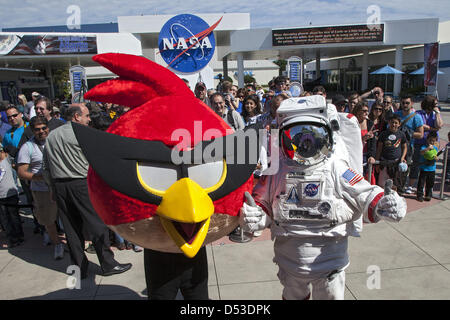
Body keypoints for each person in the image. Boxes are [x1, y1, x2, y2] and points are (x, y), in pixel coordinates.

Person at [239, 95, 406, 300]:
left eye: (312, 136)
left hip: (329, 259)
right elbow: (262, 202)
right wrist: (255, 216)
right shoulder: (277, 169)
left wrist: (384, 203)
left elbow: (364, 191)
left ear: (326, 137)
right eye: (297, 137)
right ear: (284, 138)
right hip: (290, 258)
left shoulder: (335, 167)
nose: (306, 144)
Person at [42, 104, 132, 278]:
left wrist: (52, 187)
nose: (89, 119)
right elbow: (97, 160)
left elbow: (46, 168)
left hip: (60, 186)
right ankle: (108, 264)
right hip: (82, 184)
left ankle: (79, 268)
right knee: (97, 224)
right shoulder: (82, 134)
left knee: (71, 229)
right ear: (76, 117)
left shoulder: (52, 136)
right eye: (87, 116)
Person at [16, 116, 64, 259]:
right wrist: (41, 177)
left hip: (61, 187)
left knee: (65, 217)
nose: (41, 131)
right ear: (32, 131)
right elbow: (21, 172)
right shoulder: (27, 147)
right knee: (48, 219)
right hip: (42, 190)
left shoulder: (55, 141)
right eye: (37, 129)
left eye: (44, 128)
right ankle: (57, 244)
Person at [395, 94, 424, 195]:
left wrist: (409, 133)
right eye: (403, 103)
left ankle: (401, 188)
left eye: (407, 103)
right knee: (394, 168)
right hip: (395, 146)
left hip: (408, 147)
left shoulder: (417, 117)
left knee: (404, 168)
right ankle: (395, 188)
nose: (405, 105)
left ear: (412, 103)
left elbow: (421, 134)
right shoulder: (397, 114)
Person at [375, 114, 408, 191]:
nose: (394, 124)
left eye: (396, 123)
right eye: (392, 122)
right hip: (384, 162)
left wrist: (402, 157)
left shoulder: (401, 134)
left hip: (396, 164)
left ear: (399, 124)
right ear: (389, 123)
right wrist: (377, 163)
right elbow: (379, 149)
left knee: (394, 185)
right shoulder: (383, 134)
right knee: (381, 184)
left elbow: (404, 147)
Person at [0, 143, 24, 248]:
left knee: (14, 216)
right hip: (0, 197)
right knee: (5, 218)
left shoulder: (7, 160)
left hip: (11, 194)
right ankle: (12, 238)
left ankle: (19, 235)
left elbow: (15, 150)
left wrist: (5, 149)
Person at [351, 101, 377, 181]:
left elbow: (373, 143)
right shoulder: (351, 122)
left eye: (367, 111)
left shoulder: (370, 123)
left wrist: (372, 156)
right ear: (358, 111)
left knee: (366, 178)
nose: (367, 113)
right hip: (353, 154)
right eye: (364, 111)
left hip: (365, 154)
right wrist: (362, 138)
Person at [416, 132, 439, 202]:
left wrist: (436, 158)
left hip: (432, 169)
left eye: (433, 141)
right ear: (427, 139)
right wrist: (428, 148)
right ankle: (419, 195)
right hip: (424, 168)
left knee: (430, 183)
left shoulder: (435, 148)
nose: (431, 142)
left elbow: (435, 156)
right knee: (421, 182)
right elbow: (421, 152)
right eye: (430, 140)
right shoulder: (424, 146)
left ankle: (428, 195)